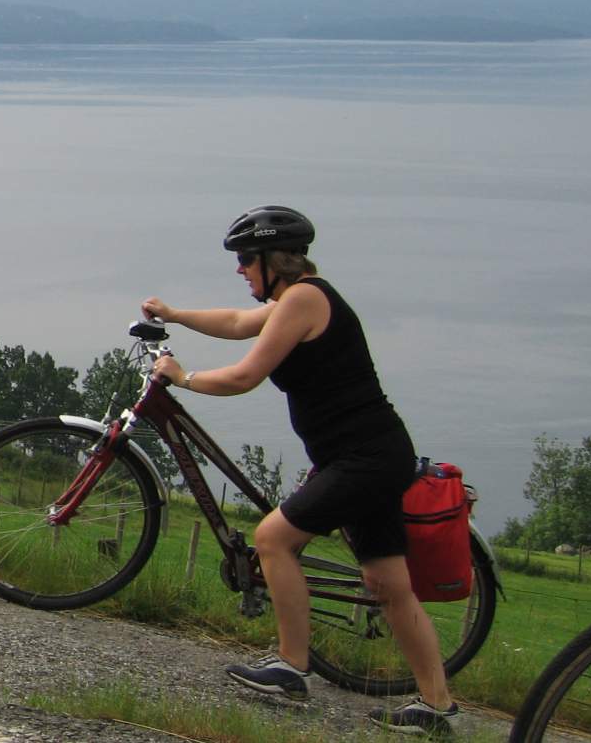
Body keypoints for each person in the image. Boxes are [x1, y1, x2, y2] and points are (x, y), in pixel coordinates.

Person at [141, 205, 459, 736]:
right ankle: (437, 707)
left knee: (273, 540)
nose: (240, 269)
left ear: (274, 260)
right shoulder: (298, 300)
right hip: (372, 454)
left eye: (246, 259)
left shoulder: (306, 299)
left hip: (363, 458)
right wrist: (175, 314)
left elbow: (244, 377)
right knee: (388, 585)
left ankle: (291, 668)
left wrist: (183, 376)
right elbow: (239, 323)